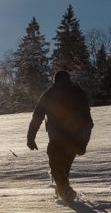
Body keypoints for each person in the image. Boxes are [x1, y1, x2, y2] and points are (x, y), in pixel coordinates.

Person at [26, 70, 93, 202]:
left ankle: (65, 192)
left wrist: (31, 137)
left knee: (56, 165)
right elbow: (88, 122)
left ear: (55, 80)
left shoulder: (50, 93)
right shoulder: (79, 92)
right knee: (63, 168)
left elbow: (37, 117)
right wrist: (84, 142)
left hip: (58, 138)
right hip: (76, 139)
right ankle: (62, 192)